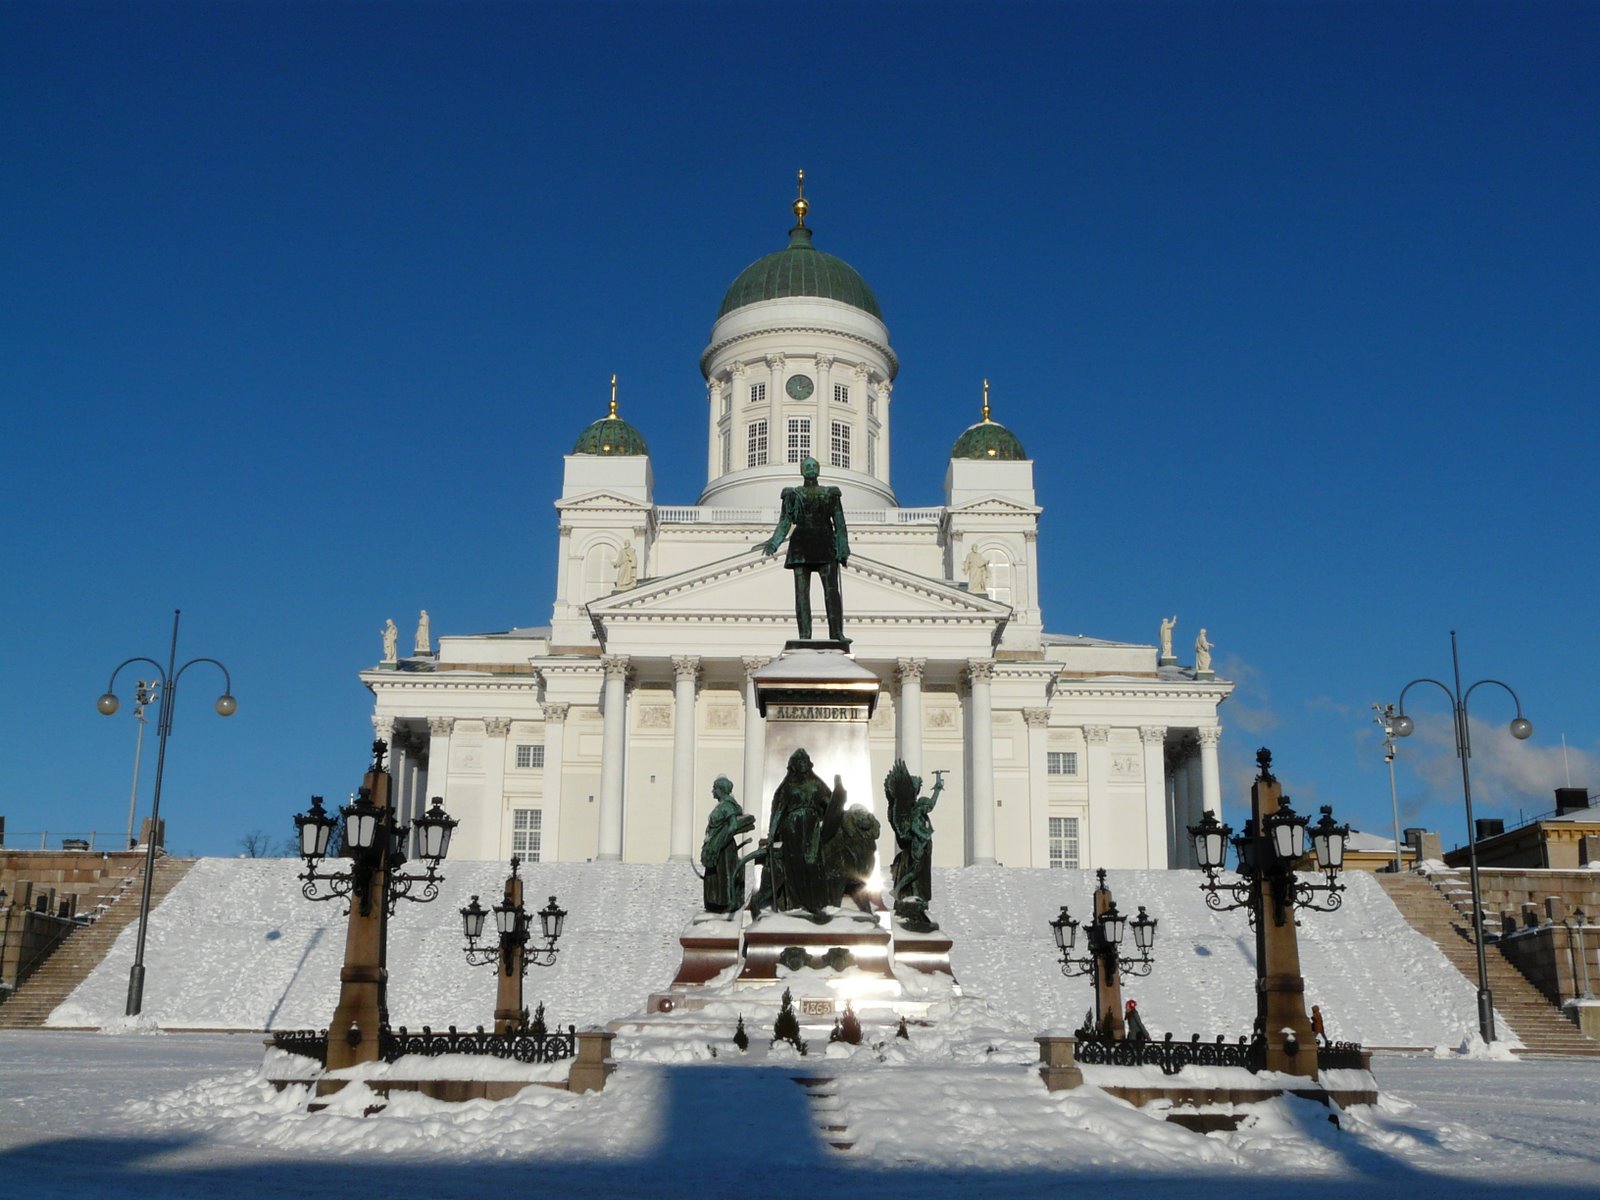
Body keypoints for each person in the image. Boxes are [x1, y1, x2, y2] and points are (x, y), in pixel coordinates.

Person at [759, 456, 851, 645]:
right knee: (802, 593)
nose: (810, 469)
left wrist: (843, 547)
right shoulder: (792, 495)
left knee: (832, 591)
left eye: (813, 466)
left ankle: (836, 634)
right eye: (806, 466)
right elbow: (785, 522)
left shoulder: (830, 494)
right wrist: (774, 542)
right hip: (801, 544)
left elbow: (840, 524)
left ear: (818, 470)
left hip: (825, 542)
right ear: (802, 471)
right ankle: (804, 636)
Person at [749, 748, 842, 917]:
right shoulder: (787, 786)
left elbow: (830, 805)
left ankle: (816, 903)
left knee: (812, 862)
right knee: (795, 864)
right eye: (799, 762)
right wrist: (771, 835)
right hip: (792, 827)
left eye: (805, 761)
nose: (803, 765)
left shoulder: (816, 784)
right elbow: (778, 811)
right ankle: (797, 903)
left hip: (811, 827)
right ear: (793, 765)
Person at [699, 777, 755, 914]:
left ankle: (726, 902)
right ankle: (715, 903)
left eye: (714, 788)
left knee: (724, 874)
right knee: (715, 875)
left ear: (721, 790)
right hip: (717, 846)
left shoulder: (727, 806)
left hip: (723, 848)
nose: (712, 791)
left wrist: (719, 843)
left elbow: (733, 826)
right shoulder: (722, 804)